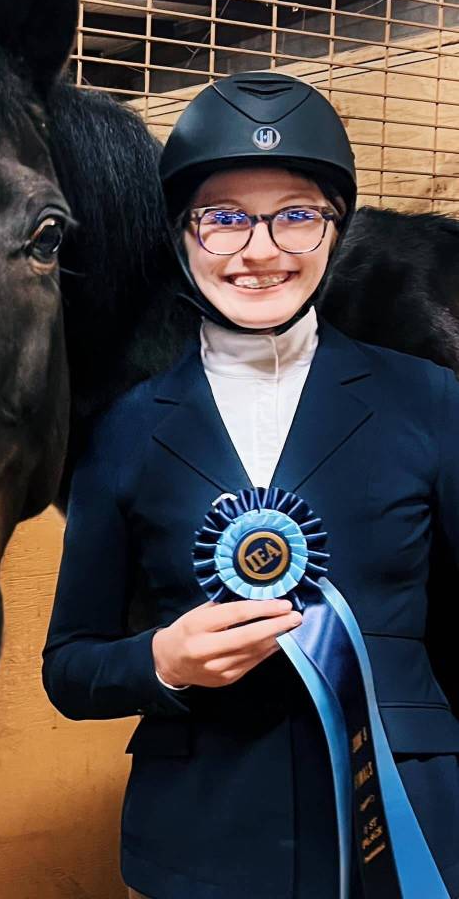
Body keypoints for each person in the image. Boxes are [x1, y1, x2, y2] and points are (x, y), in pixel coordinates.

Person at [41, 71, 459, 899]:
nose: (259, 249)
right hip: (201, 842)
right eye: (224, 218)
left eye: (295, 216)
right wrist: (160, 659)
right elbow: (70, 667)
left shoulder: (431, 401)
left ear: (335, 231)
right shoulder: (122, 432)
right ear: (183, 235)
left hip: (413, 835)